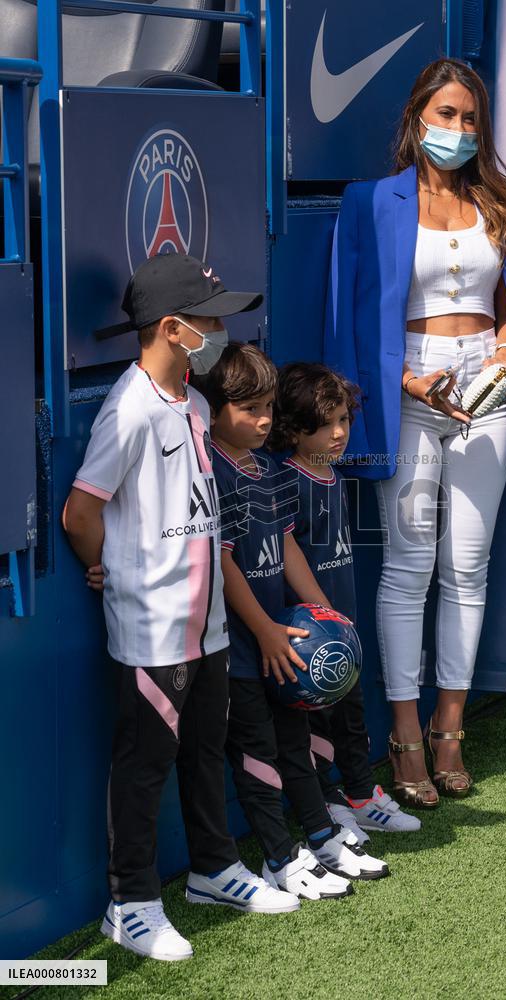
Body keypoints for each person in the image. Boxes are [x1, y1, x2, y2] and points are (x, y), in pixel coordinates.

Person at [324, 58, 506, 808]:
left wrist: (505, 352)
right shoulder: (370, 203)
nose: (456, 130)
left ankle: (450, 727)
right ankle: (404, 735)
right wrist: (402, 382)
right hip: (410, 389)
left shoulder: (503, 197)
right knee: (407, 563)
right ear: (417, 116)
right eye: (445, 114)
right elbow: (350, 315)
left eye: (469, 118)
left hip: (486, 386)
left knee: (467, 565)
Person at [63, 254, 300, 963]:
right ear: (172, 329)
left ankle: (212, 870)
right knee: (145, 766)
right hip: (154, 632)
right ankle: (130, 903)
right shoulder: (130, 408)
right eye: (209, 320)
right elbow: (81, 512)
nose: (220, 330)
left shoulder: (195, 405)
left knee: (203, 753)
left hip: (209, 628)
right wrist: (104, 566)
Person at [195, 342, 389, 899]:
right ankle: (281, 859)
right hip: (242, 645)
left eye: (268, 408)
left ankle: (321, 837)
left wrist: (325, 613)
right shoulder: (215, 471)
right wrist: (264, 631)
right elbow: (224, 562)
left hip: (283, 638)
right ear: (212, 410)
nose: (262, 420)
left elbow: (286, 547)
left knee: (293, 740)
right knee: (256, 753)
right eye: (249, 409)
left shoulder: (268, 471)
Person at [269, 361, 421, 842]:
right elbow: (286, 553)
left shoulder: (333, 476)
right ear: (294, 428)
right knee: (311, 727)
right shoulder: (289, 480)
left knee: (351, 718)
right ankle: (326, 805)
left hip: (341, 631)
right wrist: (324, 614)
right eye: (326, 422)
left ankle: (360, 794)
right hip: (308, 636)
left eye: (344, 421)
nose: (338, 433)